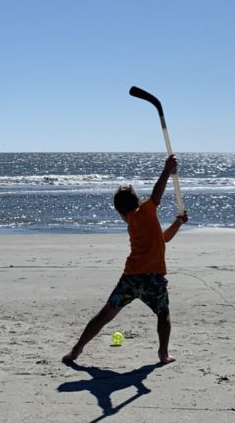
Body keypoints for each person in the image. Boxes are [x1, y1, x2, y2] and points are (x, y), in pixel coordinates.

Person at [63, 154, 187, 365]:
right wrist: (166, 169)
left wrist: (177, 223)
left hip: (130, 278)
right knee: (163, 314)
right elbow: (157, 194)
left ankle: (76, 350)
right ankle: (163, 354)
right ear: (138, 202)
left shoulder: (134, 221)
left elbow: (162, 240)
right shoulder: (144, 212)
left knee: (105, 315)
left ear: (121, 212)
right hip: (152, 278)